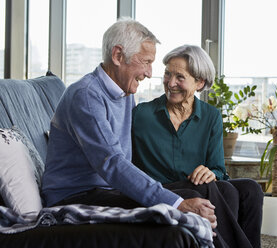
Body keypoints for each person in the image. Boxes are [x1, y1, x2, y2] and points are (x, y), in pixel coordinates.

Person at [41, 17, 217, 235]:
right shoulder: (86, 96)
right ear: (118, 56)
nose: (151, 73)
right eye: (146, 62)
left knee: (208, 189)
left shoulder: (124, 92)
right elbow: (112, 163)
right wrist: (178, 204)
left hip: (108, 190)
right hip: (75, 197)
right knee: (182, 206)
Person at [132, 45, 264, 248]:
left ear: (200, 83)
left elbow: (219, 169)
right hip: (162, 190)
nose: (171, 83)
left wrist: (209, 172)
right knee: (221, 190)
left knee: (250, 189)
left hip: (200, 186)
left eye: (180, 77)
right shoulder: (141, 114)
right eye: (168, 74)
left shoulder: (211, 116)